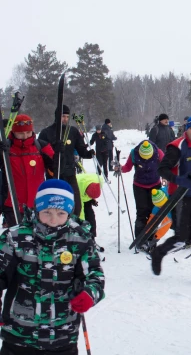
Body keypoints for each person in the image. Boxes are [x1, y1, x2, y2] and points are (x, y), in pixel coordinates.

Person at [0, 179, 105, 355]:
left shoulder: (80, 239)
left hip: (62, 337)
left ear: (70, 212)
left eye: (61, 213)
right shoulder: (15, 238)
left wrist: (89, 292)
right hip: (18, 336)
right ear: (37, 209)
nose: (53, 219)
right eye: (47, 212)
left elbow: (94, 275)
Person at [150, 115, 191, 284]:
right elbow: (162, 169)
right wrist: (181, 181)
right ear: (186, 129)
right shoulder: (177, 147)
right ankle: (159, 253)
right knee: (181, 237)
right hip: (181, 199)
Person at [39, 104, 94, 219]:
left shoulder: (72, 131)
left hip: (70, 173)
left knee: (76, 206)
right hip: (53, 174)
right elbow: (41, 154)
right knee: (55, 207)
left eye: (67, 117)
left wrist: (88, 154)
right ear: (57, 116)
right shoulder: (46, 132)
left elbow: (81, 149)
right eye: (63, 116)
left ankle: (72, 228)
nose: (65, 119)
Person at [1, 114, 54, 228]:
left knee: (38, 238)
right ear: (14, 132)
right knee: (17, 239)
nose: (25, 136)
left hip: (38, 203)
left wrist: (60, 155)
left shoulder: (41, 146)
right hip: (13, 204)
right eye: (20, 133)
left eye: (28, 133)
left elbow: (55, 169)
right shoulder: (7, 148)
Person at [114, 140, 165, 251]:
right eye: (143, 157)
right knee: (142, 211)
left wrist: (168, 176)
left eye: (148, 157)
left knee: (153, 212)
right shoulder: (134, 153)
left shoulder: (158, 153)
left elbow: (165, 165)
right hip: (139, 186)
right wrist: (120, 168)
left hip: (155, 186)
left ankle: (151, 238)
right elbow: (127, 167)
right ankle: (140, 239)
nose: (146, 159)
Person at [76, 172, 104, 250]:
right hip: (78, 195)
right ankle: (81, 237)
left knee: (91, 216)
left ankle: (92, 237)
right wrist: (82, 224)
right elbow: (81, 212)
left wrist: (92, 199)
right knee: (81, 218)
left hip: (86, 194)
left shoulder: (99, 180)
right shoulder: (78, 186)